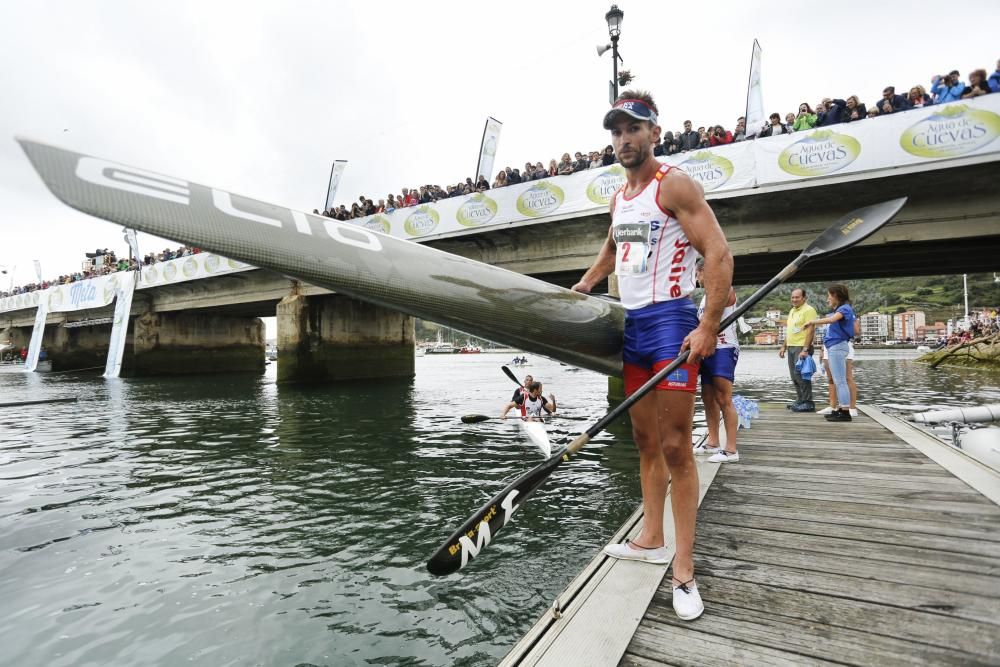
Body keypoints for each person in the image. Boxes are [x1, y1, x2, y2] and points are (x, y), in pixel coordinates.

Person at [571, 90, 733, 621]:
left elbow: (718, 252)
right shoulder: (620, 198)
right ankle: (651, 536)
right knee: (643, 440)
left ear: (654, 134)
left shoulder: (675, 184)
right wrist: (589, 283)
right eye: (617, 132)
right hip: (632, 323)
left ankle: (684, 572)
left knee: (676, 446)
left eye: (634, 129)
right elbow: (614, 248)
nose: (624, 140)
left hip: (671, 320)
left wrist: (707, 324)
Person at [692, 261, 740, 463]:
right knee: (708, 397)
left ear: (704, 272)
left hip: (725, 348)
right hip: (708, 351)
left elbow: (727, 294)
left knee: (723, 397)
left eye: (697, 274)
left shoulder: (724, 288)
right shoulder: (704, 298)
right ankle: (713, 442)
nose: (696, 279)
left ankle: (731, 450)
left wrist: (716, 273)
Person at [806, 284, 857, 422]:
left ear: (836, 295)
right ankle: (840, 409)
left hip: (837, 346)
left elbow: (831, 320)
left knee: (840, 381)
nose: (828, 298)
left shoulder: (844, 308)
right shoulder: (842, 309)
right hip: (835, 347)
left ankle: (845, 412)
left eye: (829, 295)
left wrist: (812, 322)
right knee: (838, 380)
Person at [780, 288, 818, 412]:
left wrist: (805, 349)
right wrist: (783, 346)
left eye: (797, 297)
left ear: (804, 298)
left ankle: (808, 402)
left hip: (802, 347)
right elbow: (790, 330)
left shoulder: (809, 310)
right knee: (794, 376)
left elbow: (810, 330)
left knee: (802, 375)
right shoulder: (792, 310)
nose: (794, 299)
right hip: (791, 346)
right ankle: (800, 399)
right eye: (792, 297)